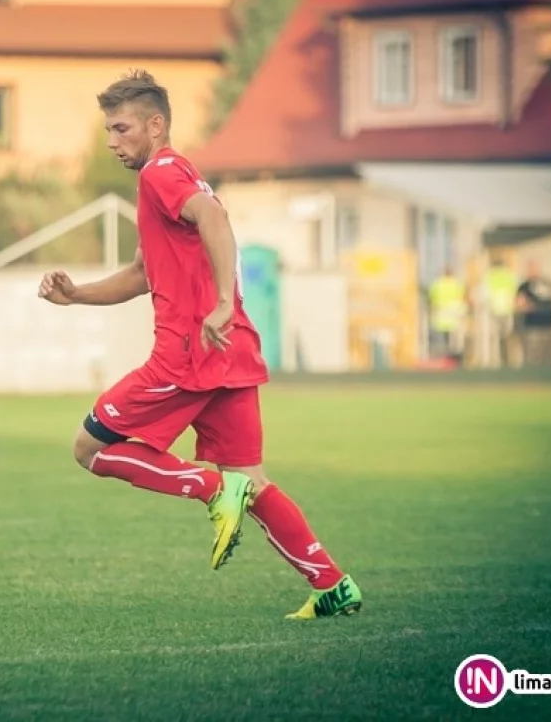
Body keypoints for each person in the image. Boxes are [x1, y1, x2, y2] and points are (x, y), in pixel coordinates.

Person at [37, 70, 361, 620]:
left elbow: (214, 217)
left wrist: (221, 304)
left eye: (121, 129)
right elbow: (145, 273)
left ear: (155, 125)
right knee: (252, 481)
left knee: (90, 450)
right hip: (230, 352)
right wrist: (79, 296)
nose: (112, 142)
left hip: (187, 354)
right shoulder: (178, 174)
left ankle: (208, 486)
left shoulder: (161, 173)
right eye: (109, 131)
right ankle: (331, 583)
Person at [515, 260, 551, 367]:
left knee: (548, 357)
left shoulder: (547, 283)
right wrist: (529, 307)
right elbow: (520, 303)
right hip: (532, 328)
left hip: (547, 326)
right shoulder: (524, 286)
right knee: (533, 358)